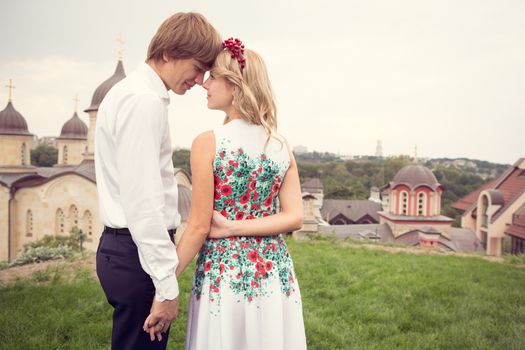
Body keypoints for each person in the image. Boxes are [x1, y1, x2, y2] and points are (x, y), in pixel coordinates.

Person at [94, 12, 222, 350]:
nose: (198, 80)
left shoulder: (135, 93)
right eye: (197, 68)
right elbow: (143, 203)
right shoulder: (143, 101)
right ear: (168, 53)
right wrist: (166, 287)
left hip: (128, 250)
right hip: (137, 255)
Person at [175, 38, 307, 350]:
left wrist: (164, 282)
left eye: (213, 77)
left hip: (224, 271)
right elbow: (294, 217)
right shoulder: (280, 144)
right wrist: (240, 226)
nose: (204, 83)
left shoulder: (207, 142)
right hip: (273, 271)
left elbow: (198, 226)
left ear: (235, 85)